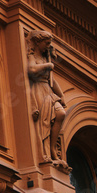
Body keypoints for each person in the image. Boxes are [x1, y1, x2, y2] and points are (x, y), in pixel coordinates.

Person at [26, 30, 67, 166]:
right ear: (38, 42)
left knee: (61, 114)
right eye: (47, 43)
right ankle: (46, 152)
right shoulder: (32, 56)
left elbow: (52, 80)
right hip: (38, 90)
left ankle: (53, 148)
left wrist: (61, 95)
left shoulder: (45, 58)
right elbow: (31, 70)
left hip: (48, 90)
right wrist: (48, 66)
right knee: (44, 123)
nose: (48, 46)